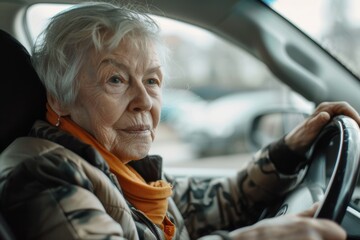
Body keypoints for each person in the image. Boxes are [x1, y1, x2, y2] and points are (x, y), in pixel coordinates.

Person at [0, 2, 359, 240]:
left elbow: (214, 201)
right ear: (58, 98)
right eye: (116, 80)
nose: (144, 101)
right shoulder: (42, 173)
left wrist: (287, 151)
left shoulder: (126, 167)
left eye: (152, 80)